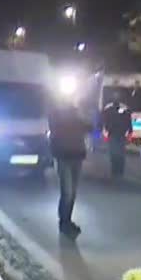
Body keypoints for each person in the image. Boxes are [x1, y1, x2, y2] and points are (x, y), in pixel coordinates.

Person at [49, 97, 88, 238]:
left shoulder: (78, 115)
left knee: (73, 192)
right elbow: (55, 130)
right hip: (64, 156)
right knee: (68, 192)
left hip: (77, 155)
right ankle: (64, 221)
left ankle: (67, 220)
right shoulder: (56, 114)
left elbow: (89, 127)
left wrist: (81, 115)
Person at [101, 101, 132, 177]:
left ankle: (115, 170)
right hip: (120, 134)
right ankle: (119, 170)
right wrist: (129, 131)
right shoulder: (123, 112)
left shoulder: (110, 111)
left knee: (114, 153)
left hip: (114, 134)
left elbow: (105, 122)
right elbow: (128, 122)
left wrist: (107, 129)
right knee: (119, 153)